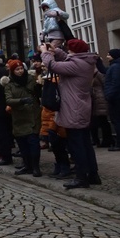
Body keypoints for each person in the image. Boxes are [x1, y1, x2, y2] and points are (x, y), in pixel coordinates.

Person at [40, 39, 100, 189]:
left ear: (74, 51)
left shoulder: (76, 65)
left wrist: (45, 53)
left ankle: (81, 178)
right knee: (85, 144)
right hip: (81, 107)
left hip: (73, 109)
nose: (68, 51)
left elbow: (52, 65)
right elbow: (67, 58)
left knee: (76, 145)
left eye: (69, 49)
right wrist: (55, 50)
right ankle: (93, 175)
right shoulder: (84, 61)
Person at [3, 59, 42, 177]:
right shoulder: (9, 85)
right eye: (17, 69)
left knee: (33, 143)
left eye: (21, 69)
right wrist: (21, 101)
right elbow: (8, 100)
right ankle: (27, 165)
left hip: (32, 116)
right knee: (23, 144)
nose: (20, 71)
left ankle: (35, 167)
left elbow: (38, 93)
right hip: (19, 117)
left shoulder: (31, 80)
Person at [102, 48, 120, 151]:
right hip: (116, 97)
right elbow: (104, 71)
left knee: (118, 121)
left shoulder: (116, 67)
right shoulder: (115, 66)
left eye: (109, 55)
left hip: (116, 99)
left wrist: (109, 95)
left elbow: (116, 83)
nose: (107, 56)